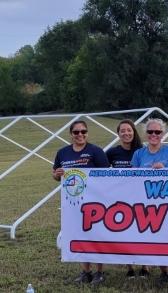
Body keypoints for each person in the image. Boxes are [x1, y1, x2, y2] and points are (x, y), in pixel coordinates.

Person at [52, 120, 109, 285]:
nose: (80, 135)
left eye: (83, 131)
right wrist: (57, 174)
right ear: (71, 134)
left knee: (96, 235)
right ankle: (86, 272)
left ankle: (99, 272)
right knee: (80, 234)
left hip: (94, 202)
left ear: (87, 133)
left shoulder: (95, 151)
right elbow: (55, 175)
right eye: (76, 132)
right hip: (73, 202)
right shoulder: (62, 153)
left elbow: (107, 176)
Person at [131, 118, 168, 287]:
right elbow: (131, 180)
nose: (154, 135)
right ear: (145, 134)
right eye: (150, 132)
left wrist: (165, 169)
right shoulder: (139, 154)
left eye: (157, 132)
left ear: (162, 133)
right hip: (147, 204)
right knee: (157, 238)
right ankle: (164, 273)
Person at [105, 119, 149, 279]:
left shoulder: (142, 150)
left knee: (142, 231)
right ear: (118, 134)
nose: (126, 133)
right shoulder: (112, 152)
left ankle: (145, 266)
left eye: (129, 130)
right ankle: (129, 267)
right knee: (125, 233)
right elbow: (97, 172)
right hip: (121, 199)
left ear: (133, 132)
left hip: (142, 197)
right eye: (122, 131)